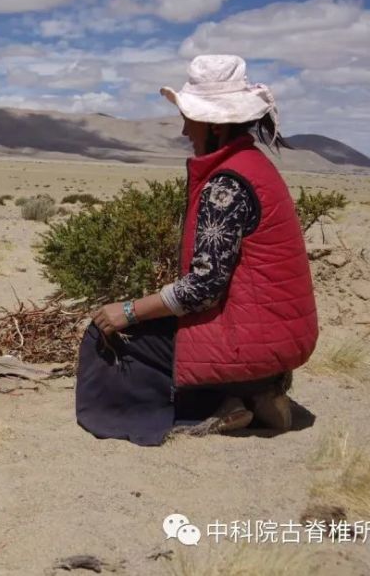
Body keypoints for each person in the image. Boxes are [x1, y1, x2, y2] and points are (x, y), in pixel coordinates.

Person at [75, 55, 318, 446]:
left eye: (190, 117)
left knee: (110, 336)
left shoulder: (226, 184)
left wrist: (126, 311)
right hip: (279, 342)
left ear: (213, 125)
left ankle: (212, 406)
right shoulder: (254, 166)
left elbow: (203, 288)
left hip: (252, 345)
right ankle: (260, 389)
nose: (185, 128)